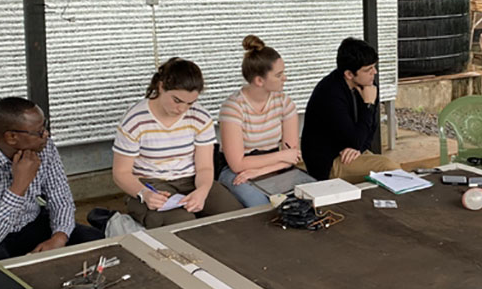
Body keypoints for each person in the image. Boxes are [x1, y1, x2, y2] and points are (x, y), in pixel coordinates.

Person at [0, 97, 103, 262]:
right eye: (39, 131)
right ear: (11, 137)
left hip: (28, 221)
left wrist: (59, 237)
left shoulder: (43, 146)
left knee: (96, 242)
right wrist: (19, 186)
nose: (46, 134)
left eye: (45, 126)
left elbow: (61, 198)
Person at [112, 57, 236, 228]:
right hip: (151, 183)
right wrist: (144, 193)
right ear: (161, 87)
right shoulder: (135, 120)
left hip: (191, 180)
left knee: (235, 215)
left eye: (190, 103)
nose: (182, 109)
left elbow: (205, 167)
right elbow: (121, 173)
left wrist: (202, 191)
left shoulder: (200, 117)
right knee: (182, 224)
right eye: (177, 100)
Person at [217, 36, 301, 207]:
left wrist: (260, 170)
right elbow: (237, 163)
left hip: (272, 168)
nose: (285, 78)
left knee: (306, 199)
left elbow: (293, 156)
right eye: (279, 75)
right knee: (262, 206)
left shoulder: (284, 102)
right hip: (238, 173)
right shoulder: (233, 108)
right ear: (259, 80)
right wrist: (282, 156)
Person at [301, 37, 400, 182]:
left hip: (352, 151)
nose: (375, 72)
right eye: (368, 70)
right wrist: (369, 105)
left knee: (390, 169)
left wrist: (358, 148)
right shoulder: (330, 93)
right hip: (328, 161)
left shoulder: (367, 86)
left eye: (374, 66)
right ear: (349, 74)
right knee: (389, 169)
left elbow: (371, 130)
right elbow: (354, 138)